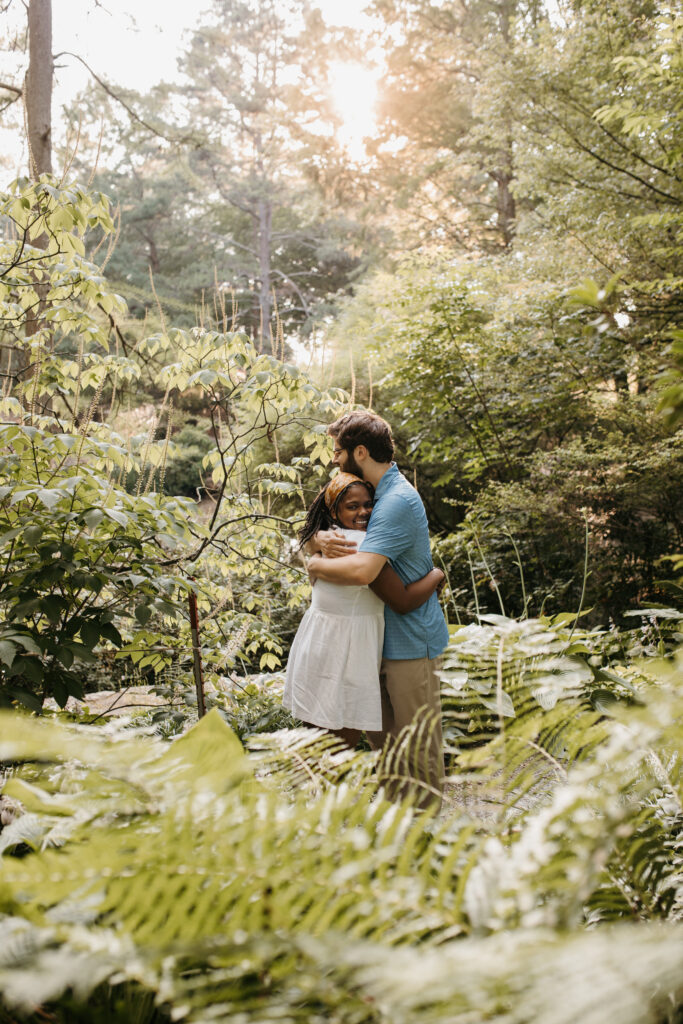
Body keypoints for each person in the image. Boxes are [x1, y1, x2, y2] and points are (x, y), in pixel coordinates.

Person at [306, 411, 449, 810]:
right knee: (389, 749)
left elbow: (364, 569)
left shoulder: (395, 501)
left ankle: (428, 836)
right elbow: (330, 527)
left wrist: (314, 564)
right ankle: (399, 840)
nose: (334, 459)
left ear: (361, 451)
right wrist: (315, 543)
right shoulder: (372, 495)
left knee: (417, 749)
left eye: (338, 451)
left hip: (411, 641)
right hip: (381, 640)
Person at [284, 472, 444, 748]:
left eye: (369, 504)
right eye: (352, 506)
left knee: (317, 746)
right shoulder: (359, 546)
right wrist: (437, 575)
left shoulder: (331, 538)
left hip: (318, 644)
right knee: (338, 748)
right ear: (334, 511)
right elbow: (403, 601)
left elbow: (307, 543)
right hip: (345, 653)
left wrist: (315, 553)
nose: (364, 512)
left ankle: (316, 791)